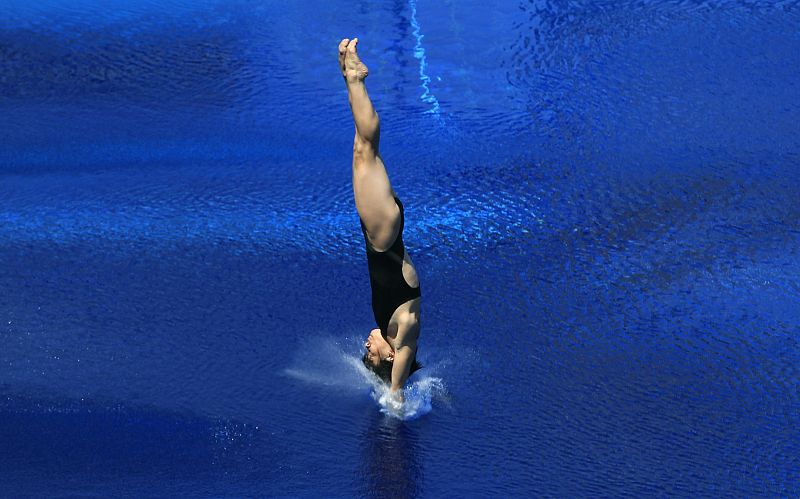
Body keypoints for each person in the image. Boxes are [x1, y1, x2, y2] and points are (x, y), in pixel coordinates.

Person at [338, 37, 422, 399]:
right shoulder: (404, 326)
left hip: (381, 232)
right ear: (387, 354)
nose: (366, 345)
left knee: (362, 149)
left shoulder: (391, 324)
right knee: (365, 150)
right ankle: (356, 78)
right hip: (383, 234)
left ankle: (350, 77)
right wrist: (396, 390)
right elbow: (407, 350)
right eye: (370, 353)